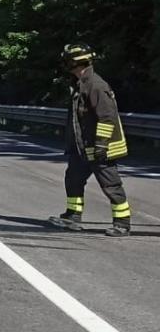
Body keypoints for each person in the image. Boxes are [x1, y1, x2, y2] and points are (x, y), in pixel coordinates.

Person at [49, 44, 131, 236]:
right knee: (73, 179)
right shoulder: (80, 84)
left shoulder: (96, 85)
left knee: (111, 185)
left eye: (68, 61)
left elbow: (107, 117)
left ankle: (122, 224)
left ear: (75, 62)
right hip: (83, 148)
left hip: (100, 148)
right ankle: (72, 215)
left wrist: (102, 144)